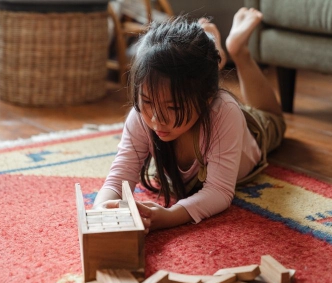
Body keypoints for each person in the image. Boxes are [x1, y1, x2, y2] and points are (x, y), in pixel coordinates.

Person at [93, 7, 286, 233]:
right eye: (146, 101)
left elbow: (219, 192)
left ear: (206, 99)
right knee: (177, 90)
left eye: (173, 107)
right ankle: (212, 59)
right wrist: (101, 209)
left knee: (274, 120)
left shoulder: (223, 111)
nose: (156, 120)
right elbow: (120, 175)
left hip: (249, 133)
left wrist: (170, 216)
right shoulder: (141, 113)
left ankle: (237, 50)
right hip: (201, 95)